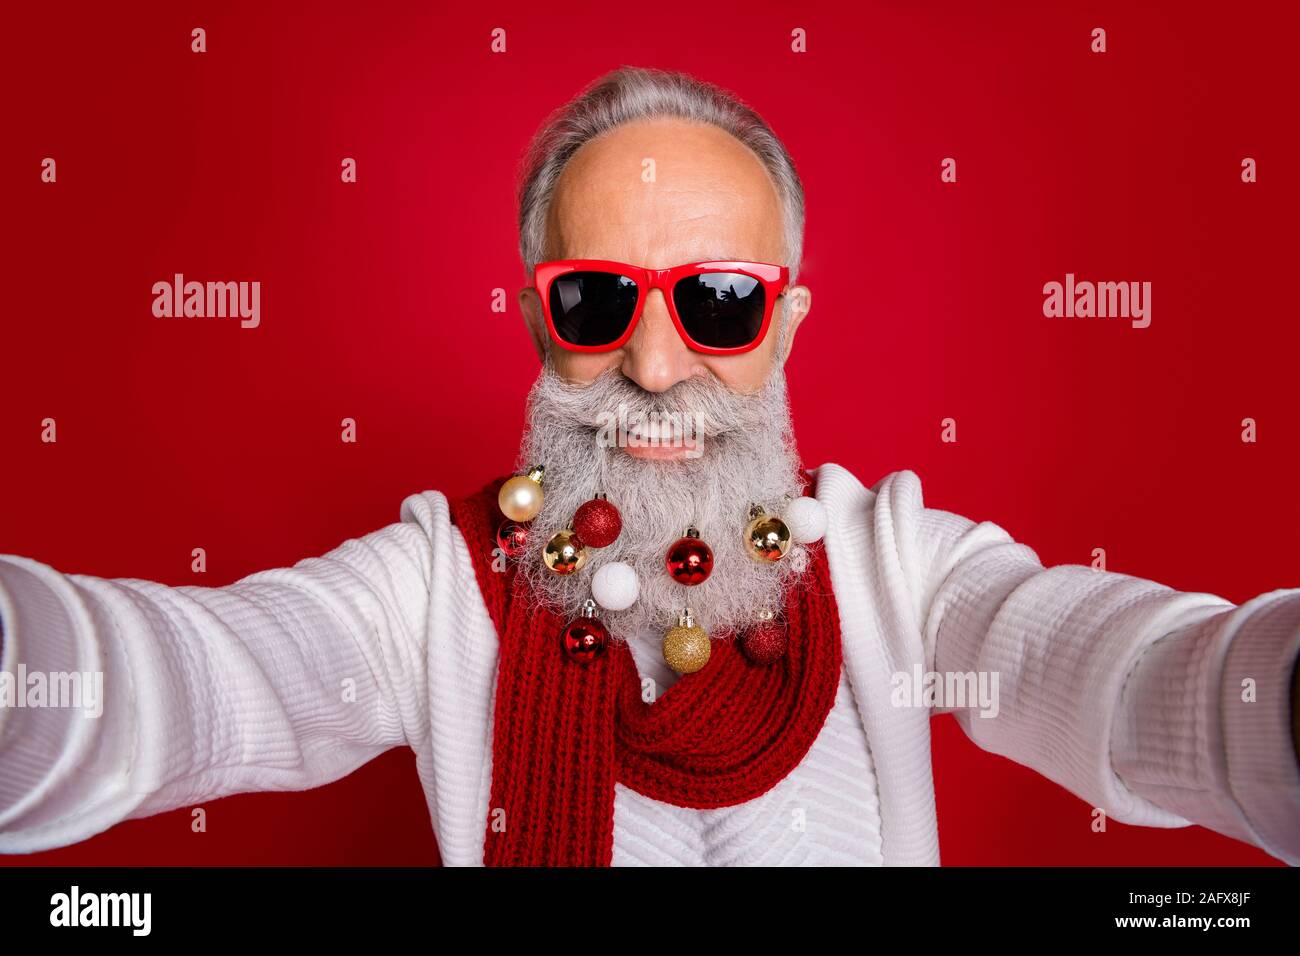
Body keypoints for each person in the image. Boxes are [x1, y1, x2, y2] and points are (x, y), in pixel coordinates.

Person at [1, 66, 1296, 867]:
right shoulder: (437, 591)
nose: (660, 369)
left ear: (786, 319)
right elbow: (195, 685)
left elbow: (1136, 685)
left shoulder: (902, 574)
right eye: (596, 302)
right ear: (534, 321)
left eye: (720, 301)